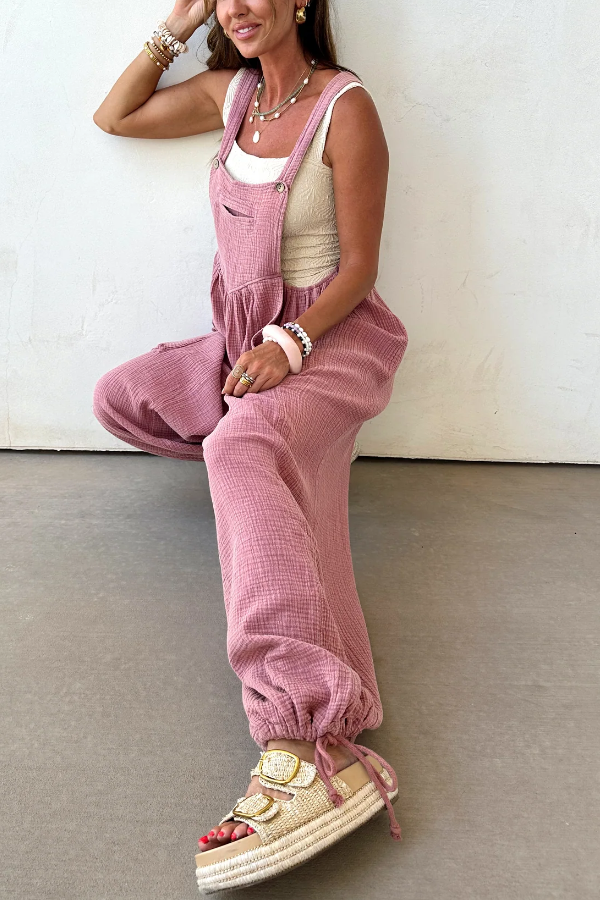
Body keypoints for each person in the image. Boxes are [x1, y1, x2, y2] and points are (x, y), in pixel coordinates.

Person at [92, 0, 408, 891]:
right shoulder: (230, 97)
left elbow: (360, 269)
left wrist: (291, 343)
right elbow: (115, 116)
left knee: (236, 452)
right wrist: (181, 17)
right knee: (122, 398)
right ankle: (265, 472)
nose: (239, 6)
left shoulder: (345, 108)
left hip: (328, 343)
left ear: (301, 1)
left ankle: (309, 741)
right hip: (242, 343)